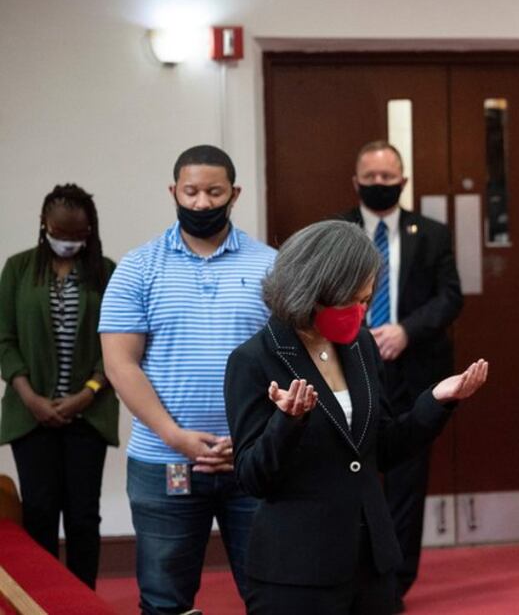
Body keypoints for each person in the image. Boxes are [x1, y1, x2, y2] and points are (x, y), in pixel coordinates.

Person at [223, 220, 487, 614]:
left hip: (370, 559)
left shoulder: (360, 346)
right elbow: (252, 477)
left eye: (366, 299)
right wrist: (287, 423)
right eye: (353, 301)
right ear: (313, 289)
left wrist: (435, 401)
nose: (362, 313)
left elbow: (382, 445)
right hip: (297, 569)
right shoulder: (252, 360)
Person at [100, 145, 276, 613]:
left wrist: (256, 437)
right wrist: (175, 436)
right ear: (173, 191)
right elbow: (121, 365)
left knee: (275, 593)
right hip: (164, 462)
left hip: (253, 458)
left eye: (213, 192)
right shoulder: (138, 268)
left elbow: (293, 362)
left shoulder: (270, 267)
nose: (201, 203)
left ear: (234, 194)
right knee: (164, 601)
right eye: (191, 191)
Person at [335, 140, 463, 608]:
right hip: (346, 372)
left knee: (408, 487)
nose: (379, 186)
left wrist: (406, 331)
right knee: (350, 479)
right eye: (370, 179)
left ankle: (395, 585)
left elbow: (451, 297)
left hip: (413, 374)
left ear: (403, 181)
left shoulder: (430, 232)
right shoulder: (337, 231)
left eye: (387, 179)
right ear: (355, 182)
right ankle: (351, 577)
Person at [0, 184, 118, 588]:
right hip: (30, 414)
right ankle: (43, 600)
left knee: (83, 514)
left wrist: (86, 393)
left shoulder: (106, 270)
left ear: (90, 230)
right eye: (60, 232)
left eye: (77, 235)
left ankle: (84, 599)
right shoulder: (17, 269)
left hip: (89, 412)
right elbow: (4, 339)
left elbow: (118, 342)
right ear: (43, 224)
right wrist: (31, 398)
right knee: (39, 511)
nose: (67, 241)